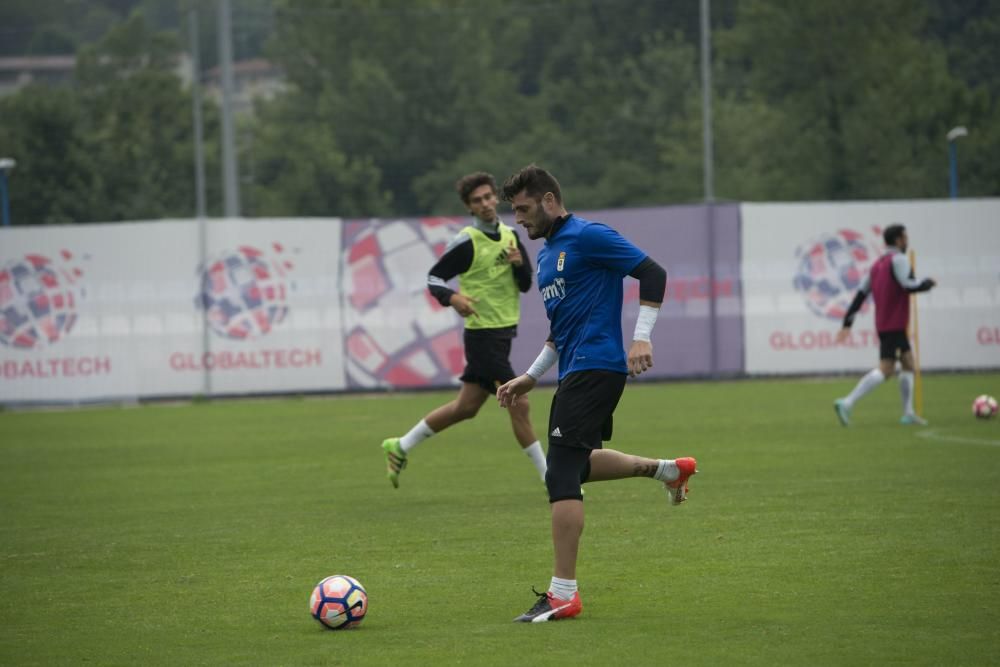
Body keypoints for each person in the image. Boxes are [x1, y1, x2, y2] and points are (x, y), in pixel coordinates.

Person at [495, 165, 697, 623]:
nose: (519, 220)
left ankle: (563, 592)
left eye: (524, 210)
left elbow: (652, 272)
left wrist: (642, 337)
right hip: (576, 369)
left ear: (549, 200)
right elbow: (560, 329)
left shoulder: (589, 236)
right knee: (578, 462)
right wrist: (530, 376)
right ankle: (668, 470)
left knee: (560, 473)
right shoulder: (548, 256)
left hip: (596, 366)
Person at [381, 172, 546, 487]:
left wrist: (519, 265)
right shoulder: (468, 241)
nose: (484, 204)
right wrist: (453, 297)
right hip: (482, 335)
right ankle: (552, 478)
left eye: (488, 197)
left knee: (467, 407)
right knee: (519, 401)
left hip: (502, 333)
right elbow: (434, 278)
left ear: (496, 198)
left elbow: (525, 285)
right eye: (477, 201)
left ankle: (400, 445)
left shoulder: (512, 235)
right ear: (469, 207)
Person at [833, 223, 936, 426]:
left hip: (884, 323)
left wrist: (847, 322)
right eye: (905, 237)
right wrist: (927, 283)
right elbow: (908, 285)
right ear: (898, 240)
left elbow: (861, 295)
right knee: (886, 369)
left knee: (908, 364)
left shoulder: (877, 265)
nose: (907, 241)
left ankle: (908, 413)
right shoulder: (899, 259)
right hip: (895, 323)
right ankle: (847, 402)